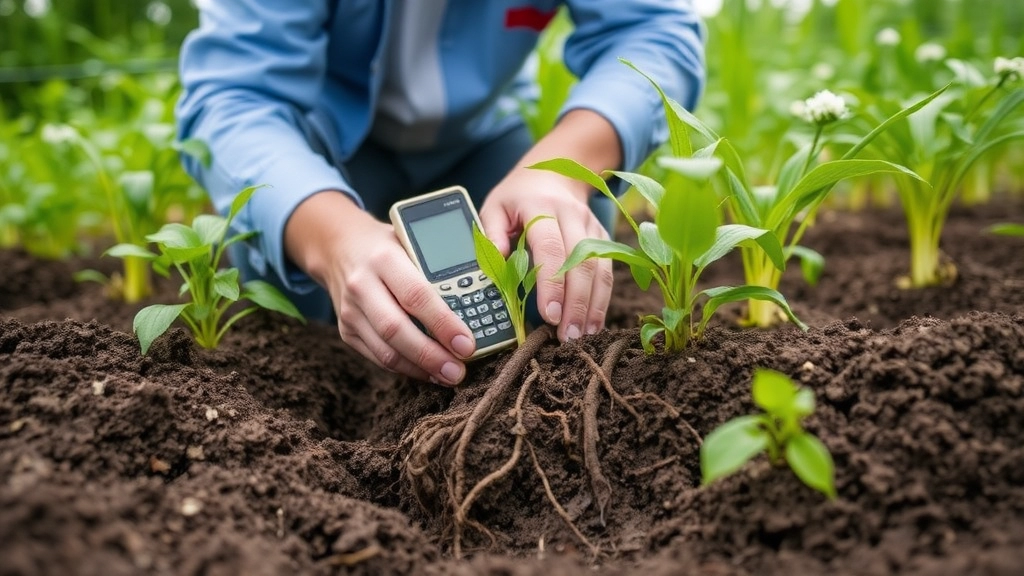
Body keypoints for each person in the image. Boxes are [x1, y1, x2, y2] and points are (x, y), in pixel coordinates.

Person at [175, 1, 705, 386]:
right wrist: (330, 239)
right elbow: (233, 96)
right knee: (307, 327)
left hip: (482, 141)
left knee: (551, 274)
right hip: (323, 152)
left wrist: (560, 169)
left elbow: (654, 32)